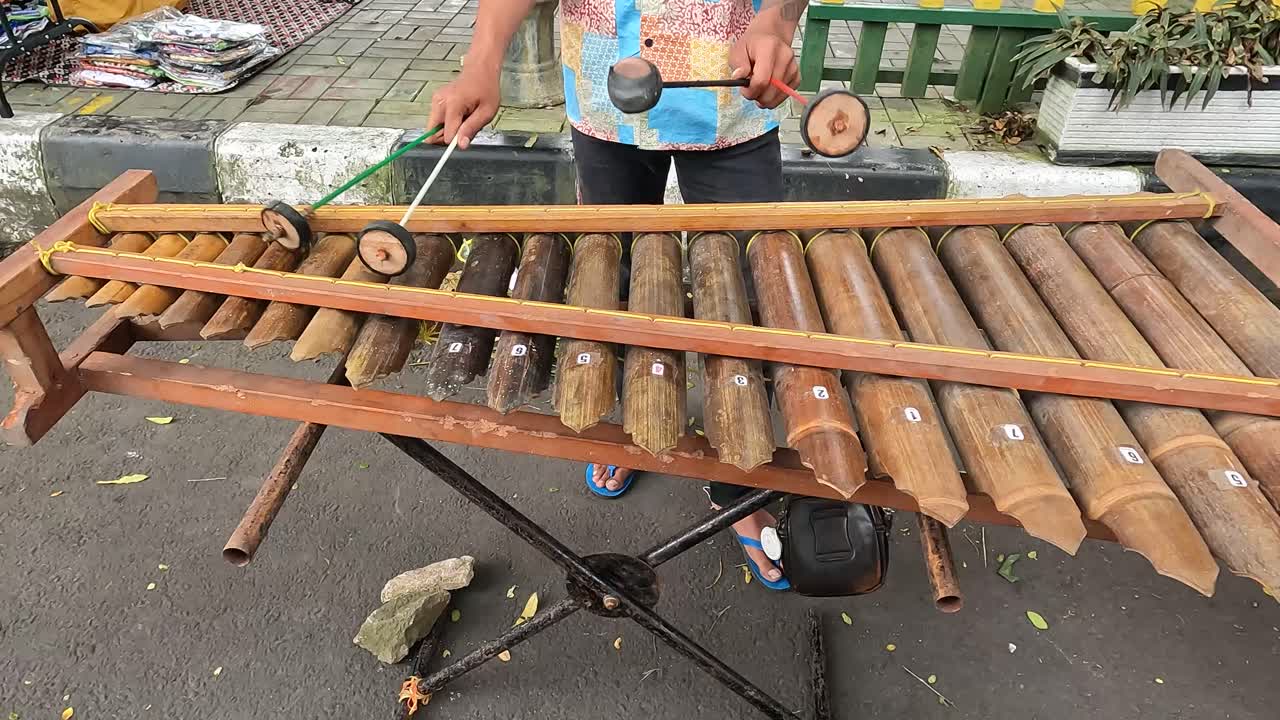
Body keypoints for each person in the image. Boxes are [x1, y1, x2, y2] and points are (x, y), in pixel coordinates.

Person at [428, 0, 804, 589]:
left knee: (746, 302)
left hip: (734, 94)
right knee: (612, 276)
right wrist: (482, 60)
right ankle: (624, 427)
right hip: (605, 90)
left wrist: (775, 23)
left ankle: (739, 484)